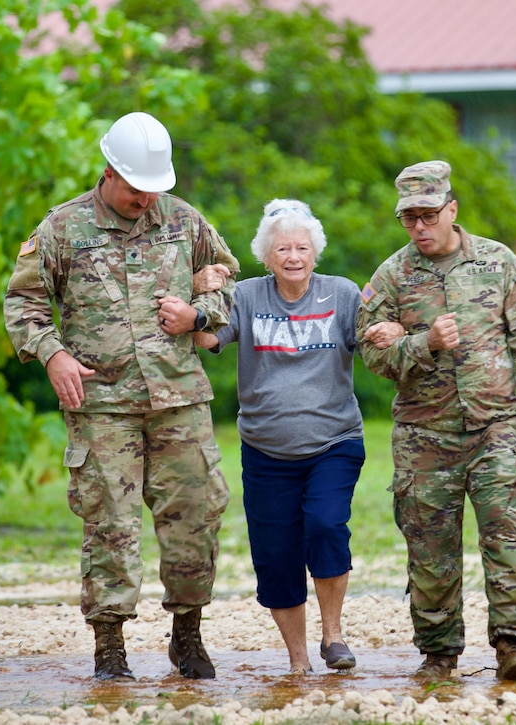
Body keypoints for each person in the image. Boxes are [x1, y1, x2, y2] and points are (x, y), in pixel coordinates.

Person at [3, 111, 241, 681]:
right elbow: (23, 305)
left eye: (155, 189)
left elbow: (227, 276)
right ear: (109, 172)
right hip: (103, 403)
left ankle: (188, 634)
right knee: (109, 523)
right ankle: (110, 645)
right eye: (137, 189)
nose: (146, 200)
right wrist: (51, 352)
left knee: (195, 515)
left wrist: (199, 313)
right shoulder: (62, 229)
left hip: (179, 398)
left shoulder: (185, 221)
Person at [356, 160, 516, 681]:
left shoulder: (499, 262)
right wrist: (423, 344)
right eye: (409, 219)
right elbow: (371, 356)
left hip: (495, 427)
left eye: (428, 215)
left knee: (505, 537)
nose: (419, 227)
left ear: (452, 210)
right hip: (424, 436)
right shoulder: (391, 276)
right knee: (430, 550)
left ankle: (514, 646)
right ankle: (439, 654)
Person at [193, 199, 400, 675]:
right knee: (276, 554)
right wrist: (200, 292)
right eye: (282, 248)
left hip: (334, 441)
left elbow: (373, 335)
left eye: (302, 247)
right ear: (267, 256)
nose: (293, 256)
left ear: (315, 253)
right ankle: (298, 661)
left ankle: (333, 635)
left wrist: (391, 327)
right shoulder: (246, 296)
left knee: (326, 525)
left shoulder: (342, 294)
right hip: (265, 449)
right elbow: (207, 339)